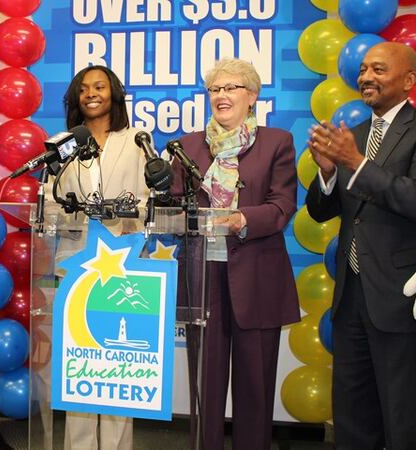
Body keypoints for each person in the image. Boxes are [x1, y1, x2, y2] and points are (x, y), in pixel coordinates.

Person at [306, 42, 416, 449]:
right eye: (363, 70)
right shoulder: (353, 137)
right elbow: (325, 212)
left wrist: (357, 164)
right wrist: (327, 174)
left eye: (378, 69)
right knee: (352, 414)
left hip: (401, 298)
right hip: (351, 297)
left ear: (409, 80)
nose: (365, 77)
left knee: (404, 414)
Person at [170, 58, 300, 450]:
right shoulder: (188, 145)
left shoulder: (276, 141)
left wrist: (242, 217)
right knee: (205, 389)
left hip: (257, 279)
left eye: (231, 88)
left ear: (252, 96)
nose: (221, 96)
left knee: (255, 389)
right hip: (202, 278)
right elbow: (174, 204)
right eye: (215, 89)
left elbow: (281, 206)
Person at [54, 65, 150, 450]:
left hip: (122, 264)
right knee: (80, 367)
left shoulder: (137, 140)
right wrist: (77, 212)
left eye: (100, 86)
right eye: (83, 88)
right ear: (76, 98)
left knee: (116, 370)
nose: (91, 93)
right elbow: (50, 200)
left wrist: (123, 218)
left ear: (114, 94)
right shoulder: (62, 143)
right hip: (75, 263)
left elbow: (149, 200)